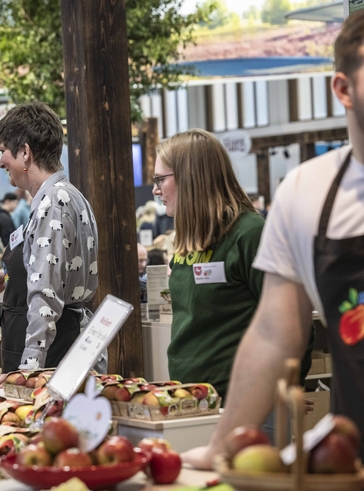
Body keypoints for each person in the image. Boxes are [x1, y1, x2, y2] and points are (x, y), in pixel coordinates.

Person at [184, 12, 364, 466]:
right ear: (343, 89)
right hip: (351, 463)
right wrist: (222, 446)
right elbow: (273, 333)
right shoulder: (308, 192)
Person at [153, 129, 313, 403]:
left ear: (191, 177)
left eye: (160, 179)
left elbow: (295, 319)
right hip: (191, 397)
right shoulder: (192, 235)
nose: (155, 189)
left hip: (247, 401)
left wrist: (288, 386)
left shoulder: (250, 233)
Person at [0, 102, 99, 382]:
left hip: (53, 355)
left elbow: (46, 297)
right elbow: (54, 273)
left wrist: (28, 372)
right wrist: (8, 279)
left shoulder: (51, 204)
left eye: (3, 151)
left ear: (25, 153)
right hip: (61, 344)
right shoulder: (65, 194)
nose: (2, 162)